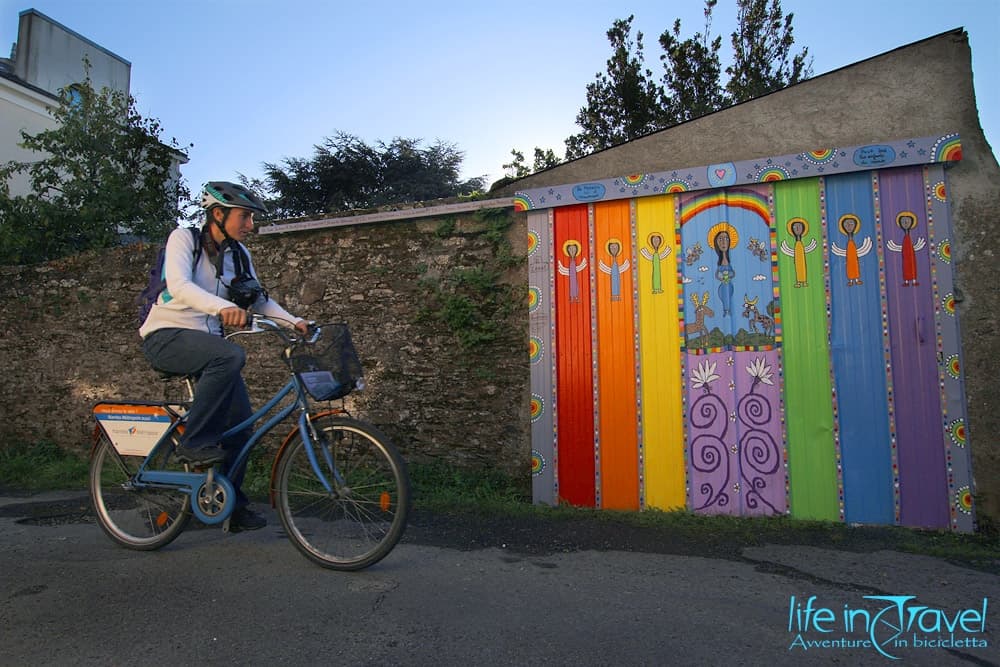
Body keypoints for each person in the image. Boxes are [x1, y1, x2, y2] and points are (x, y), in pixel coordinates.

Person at [139, 181, 308, 531]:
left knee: (242, 425)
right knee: (230, 356)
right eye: (244, 216)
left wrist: (295, 322)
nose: (250, 225)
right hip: (166, 336)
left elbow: (260, 300)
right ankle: (194, 442)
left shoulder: (239, 256)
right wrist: (224, 308)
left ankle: (228, 505)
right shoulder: (183, 239)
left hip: (207, 346)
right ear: (218, 214)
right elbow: (180, 286)